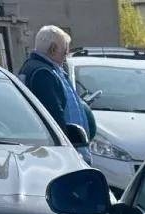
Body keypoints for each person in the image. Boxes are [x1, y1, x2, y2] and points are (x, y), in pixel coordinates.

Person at [18, 25, 94, 163]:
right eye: (64, 53)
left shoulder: (35, 68)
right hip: (62, 153)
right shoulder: (43, 74)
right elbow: (54, 117)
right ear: (52, 49)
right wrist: (66, 147)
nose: (65, 59)